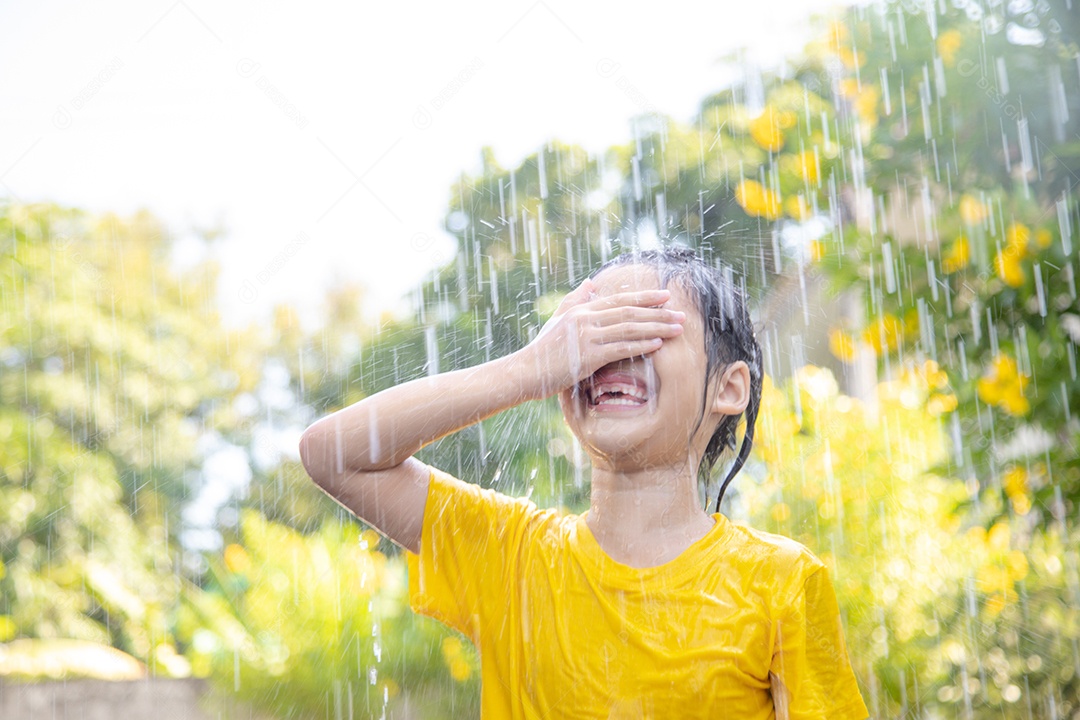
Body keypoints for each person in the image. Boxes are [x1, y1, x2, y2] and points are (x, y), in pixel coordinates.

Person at [299, 247, 869, 719]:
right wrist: (529, 368)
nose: (609, 354)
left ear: (729, 387)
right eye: (589, 336)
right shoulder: (512, 557)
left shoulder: (780, 582)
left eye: (642, 327)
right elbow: (333, 454)